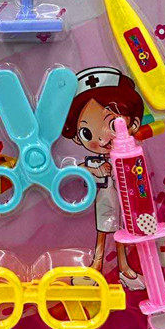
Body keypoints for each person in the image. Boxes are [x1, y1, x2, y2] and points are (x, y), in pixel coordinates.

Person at [62, 67, 145, 289]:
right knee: (103, 232)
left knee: (122, 232)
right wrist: (95, 171)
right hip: (104, 199)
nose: (100, 139)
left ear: (133, 124)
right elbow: (79, 170)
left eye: (111, 124)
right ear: (77, 138)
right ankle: (96, 265)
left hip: (125, 201)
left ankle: (124, 267)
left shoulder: (130, 156)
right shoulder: (95, 161)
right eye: (86, 132)